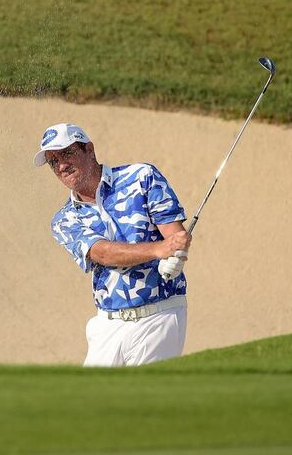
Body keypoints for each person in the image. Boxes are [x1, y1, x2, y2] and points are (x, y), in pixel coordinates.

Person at [35, 123, 192, 367]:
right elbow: (102, 253)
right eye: (53, 161)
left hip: (159, 314)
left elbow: (175, 236)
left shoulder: (142, 177)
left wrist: (177, 251)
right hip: (107, 325)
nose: (61, 166)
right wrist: (160, 249)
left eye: (66, 153)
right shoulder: (63, 220)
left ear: (89, 149)